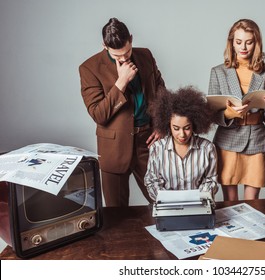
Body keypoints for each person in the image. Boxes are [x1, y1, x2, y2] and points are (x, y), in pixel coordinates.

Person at [79, 18, 165, 206]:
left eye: (127, 52)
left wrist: (161, 124)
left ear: (131, 39)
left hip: (148, 143)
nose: (124, 59)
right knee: (116, 213)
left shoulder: (146, 56)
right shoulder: (89, 68)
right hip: (114, 149)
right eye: (117, 56)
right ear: (104, 45)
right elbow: (98, 115)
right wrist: (121, 82)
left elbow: (161, 92)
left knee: (163, 204)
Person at [208, 19, 265, 201]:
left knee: (252, 205)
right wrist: (228, 114)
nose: (244, 47)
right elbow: (211, 112)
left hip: (256, 139)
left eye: (249, 42)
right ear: (231, 42)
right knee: (229, 203)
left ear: (257, 42)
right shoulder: (218, 72)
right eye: (238, 42)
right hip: (227, 139)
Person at [145, 87, 218, 202]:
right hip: (167, 207)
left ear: (194, 124)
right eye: (176, 128)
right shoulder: (157, 148)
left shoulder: (207, 149)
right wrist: (168, 200)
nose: (182, 134)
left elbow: (210, 180)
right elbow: (152, 181)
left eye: (187, 128)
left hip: (198, 205)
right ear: (168, 125)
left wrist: (199, 199)